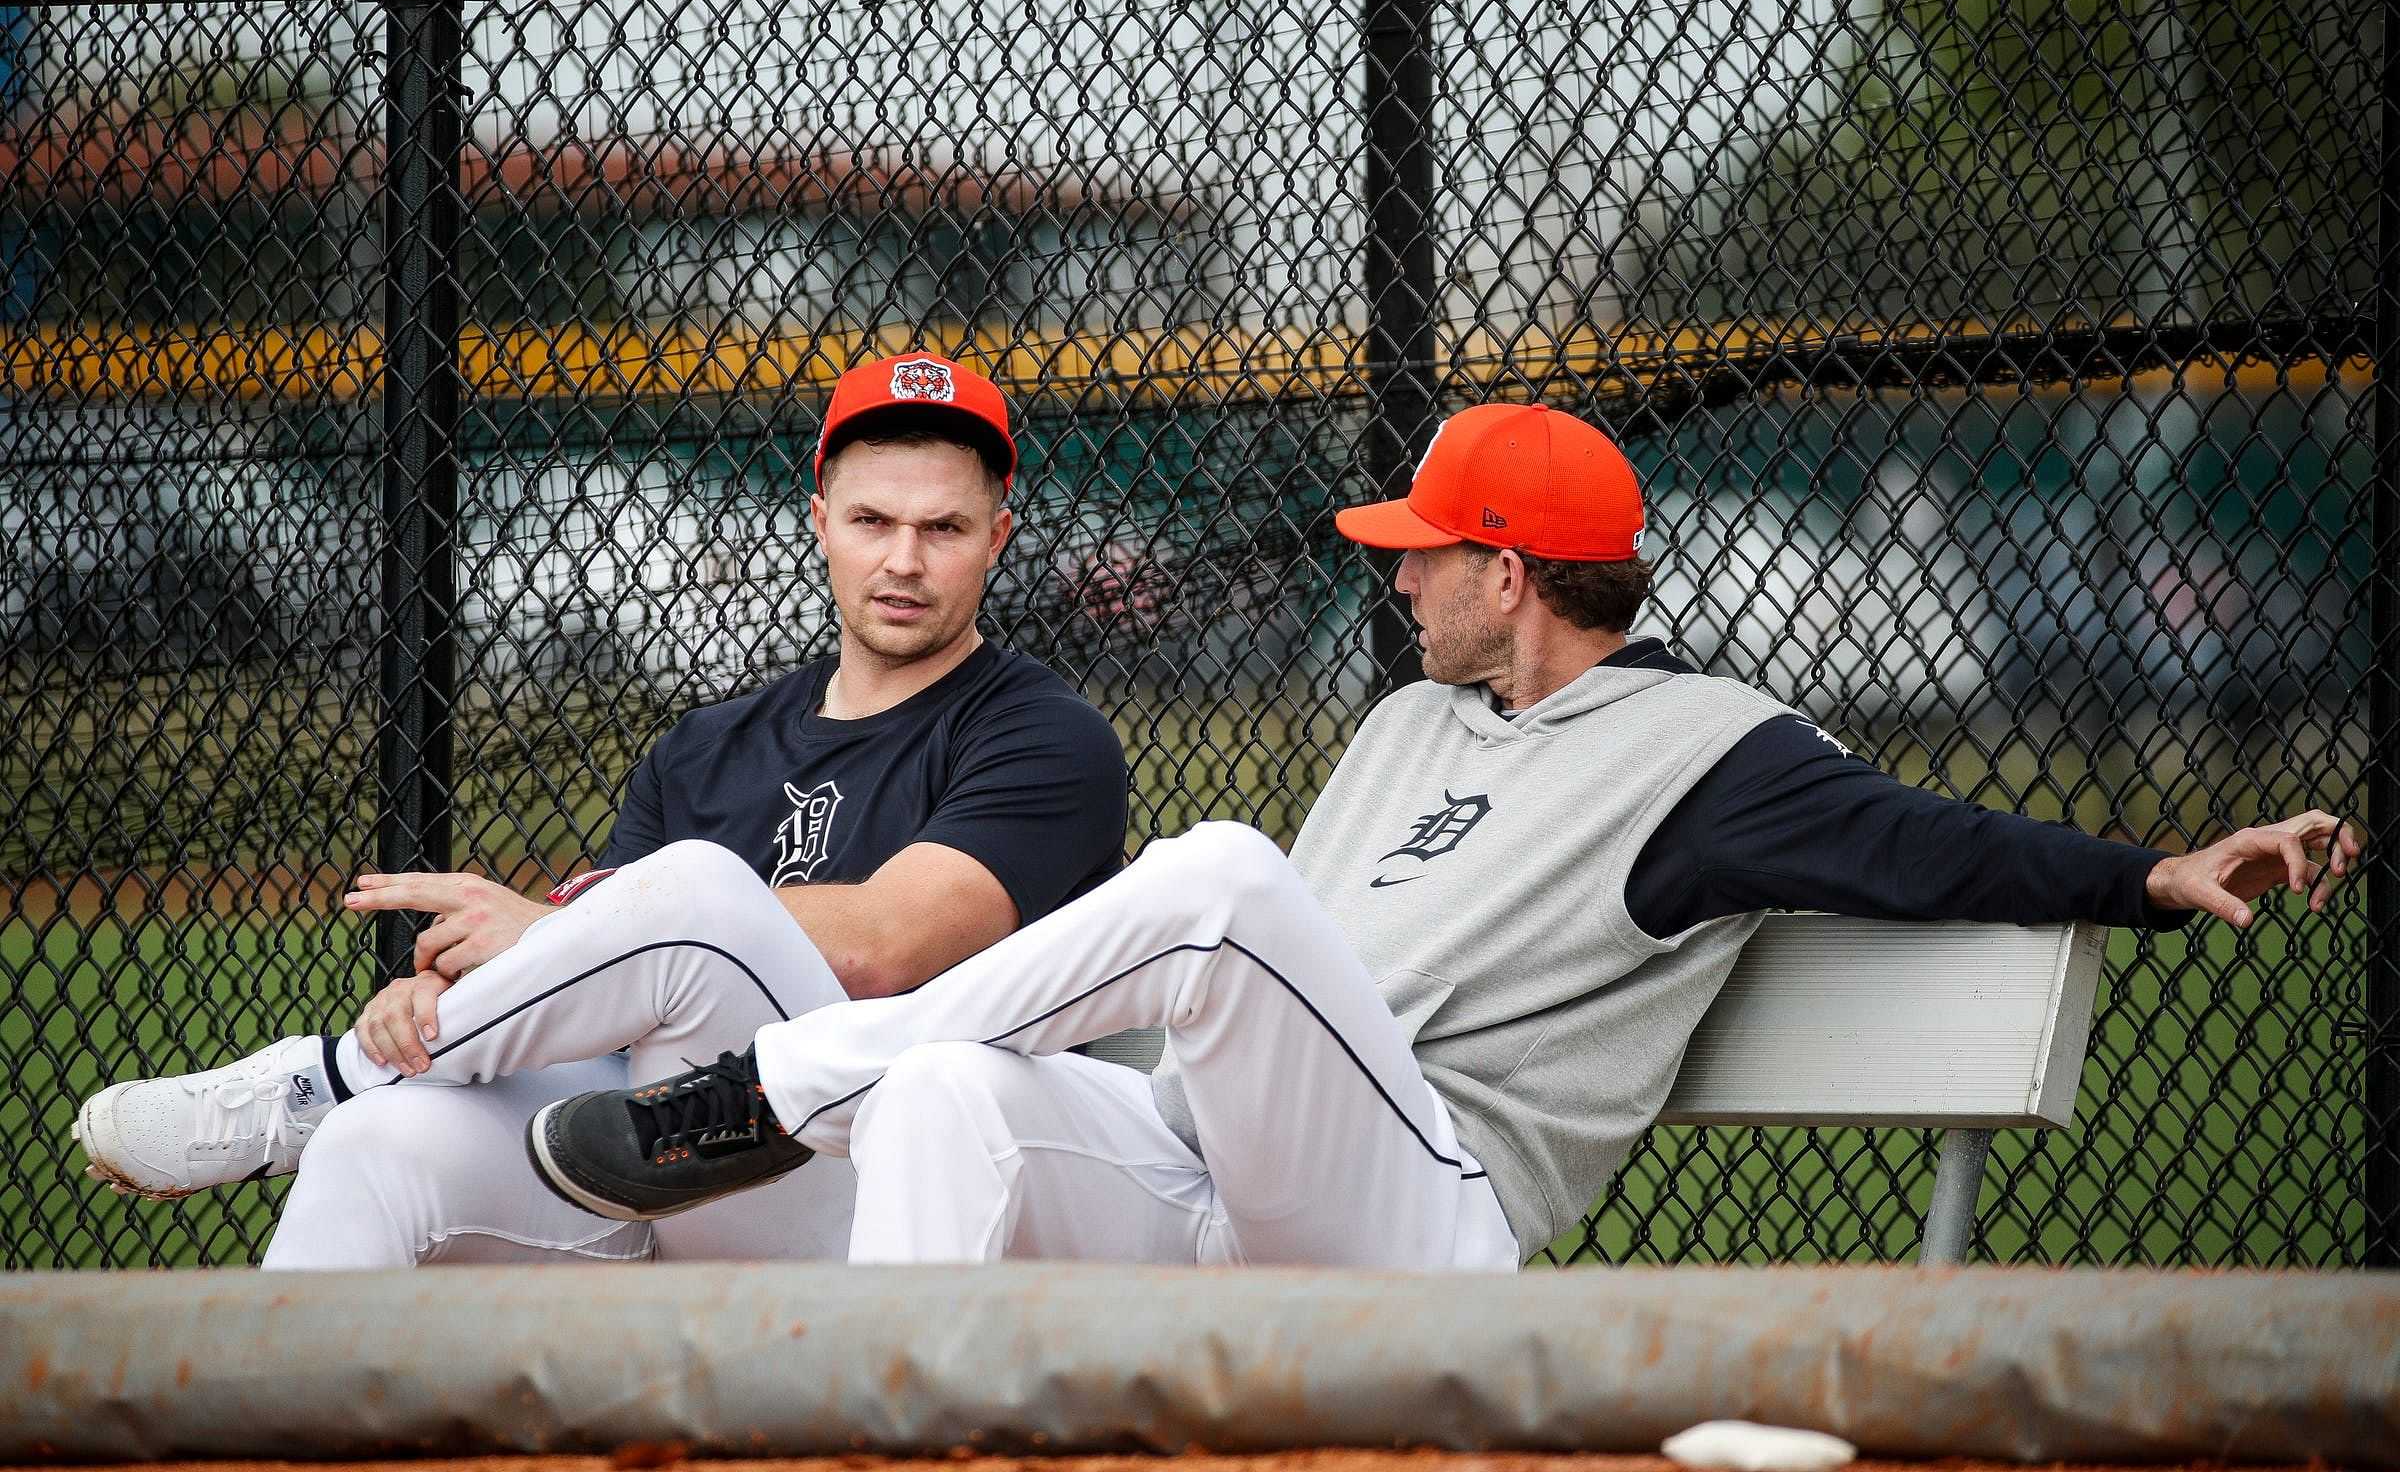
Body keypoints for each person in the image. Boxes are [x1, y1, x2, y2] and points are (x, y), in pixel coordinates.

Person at [519, 400, 2358, 1268]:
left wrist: (2151, 873)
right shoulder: (1412, 717)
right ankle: (867, 1371)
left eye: (1421, 554)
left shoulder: (1714, 751)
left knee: (1224, 879)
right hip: (1226, 1170)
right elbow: (1236, 994)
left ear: (1512, 571)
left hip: (1433, 1211)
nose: (1395, 577)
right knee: (942, 1098)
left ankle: (768, 1093)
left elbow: (1928, 844)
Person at [72, 352, 1130, 1267]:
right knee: (376, 1149)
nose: (904, 559)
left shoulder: (1046, 736)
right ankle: (329, 1185)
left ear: (997, 535)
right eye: (873, 520)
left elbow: (887, 947)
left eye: (943, 527)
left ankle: (314, 1084)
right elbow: (614, 985)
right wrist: (448, 996)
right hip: (644, 1168)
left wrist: (563, 928)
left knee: (704, 892)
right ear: (820, 522)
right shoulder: (706, 745)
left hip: (877, 1191)